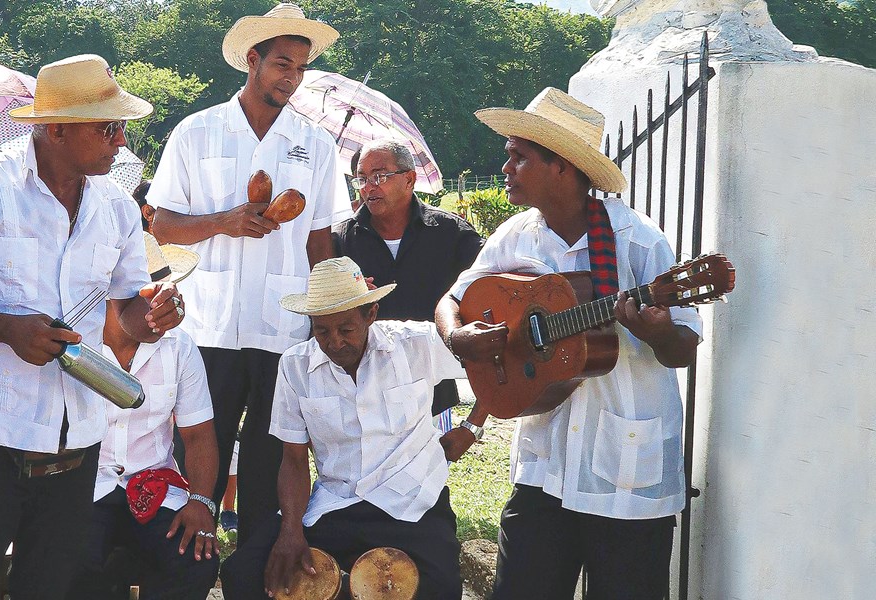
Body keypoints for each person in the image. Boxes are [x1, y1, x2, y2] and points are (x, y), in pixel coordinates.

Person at [0, 54, 186, 600]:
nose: (120, 141)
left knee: (50, 590)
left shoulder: (118, 209)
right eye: (107, 127)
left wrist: (151, 315)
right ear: (56, 129)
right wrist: (5, 329)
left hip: (77, 448)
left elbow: (124, 316)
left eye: (121, 126)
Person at [435, 87, 702, 599]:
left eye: (519, 157)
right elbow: (454, 296)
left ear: (561, 168)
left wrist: (656, 330)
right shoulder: (515, 236)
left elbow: (684, 347)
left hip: (625, 473)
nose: (506, 166)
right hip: (543, 464)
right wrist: (458, 336)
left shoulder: (639, 240)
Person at [147, 2, 350, 544]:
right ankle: (184, 567)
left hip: (283, 328)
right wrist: (224, 222)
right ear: (253, 60)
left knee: (269, 461)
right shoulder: (197, 132)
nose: (293, 78)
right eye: (283, 64)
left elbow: (319, 238)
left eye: (302, 68)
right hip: (206, 327)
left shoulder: (317, 143)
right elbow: (161, 223)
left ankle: (258, 571)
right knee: (196, 454)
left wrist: (326, 315)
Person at [220, 257, 465, 600]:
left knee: (440, 589)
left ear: (371, 314)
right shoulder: (295, 366)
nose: (334, 342)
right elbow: (292, 460)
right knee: (244, 574)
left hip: (412, 502)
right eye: (322, 330)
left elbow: (494, 361)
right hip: (336, 503)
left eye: (346, 329)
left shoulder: (416, 343)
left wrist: (473, 426)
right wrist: (290, 529)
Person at [67, 234, 219, 600]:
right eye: (154, 300)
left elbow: (199, 436)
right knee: (76, 564)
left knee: (196, 557)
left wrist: (201, 501)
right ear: (116, 299)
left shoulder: (180, 348)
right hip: (83, 485)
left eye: (170, 297)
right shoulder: (74, 344)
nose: (167, 310)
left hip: (156, 484)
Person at [331, 138, 484, 437]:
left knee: (430, 480)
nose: (368, 187)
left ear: (410, 179)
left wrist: (475, 422)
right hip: (360, 392)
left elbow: (490, 298)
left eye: (379, 176)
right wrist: (346, 299)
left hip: (433, 390)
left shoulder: (451, 235)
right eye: (361, 179)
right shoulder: (341, 242)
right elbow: (323, 317)